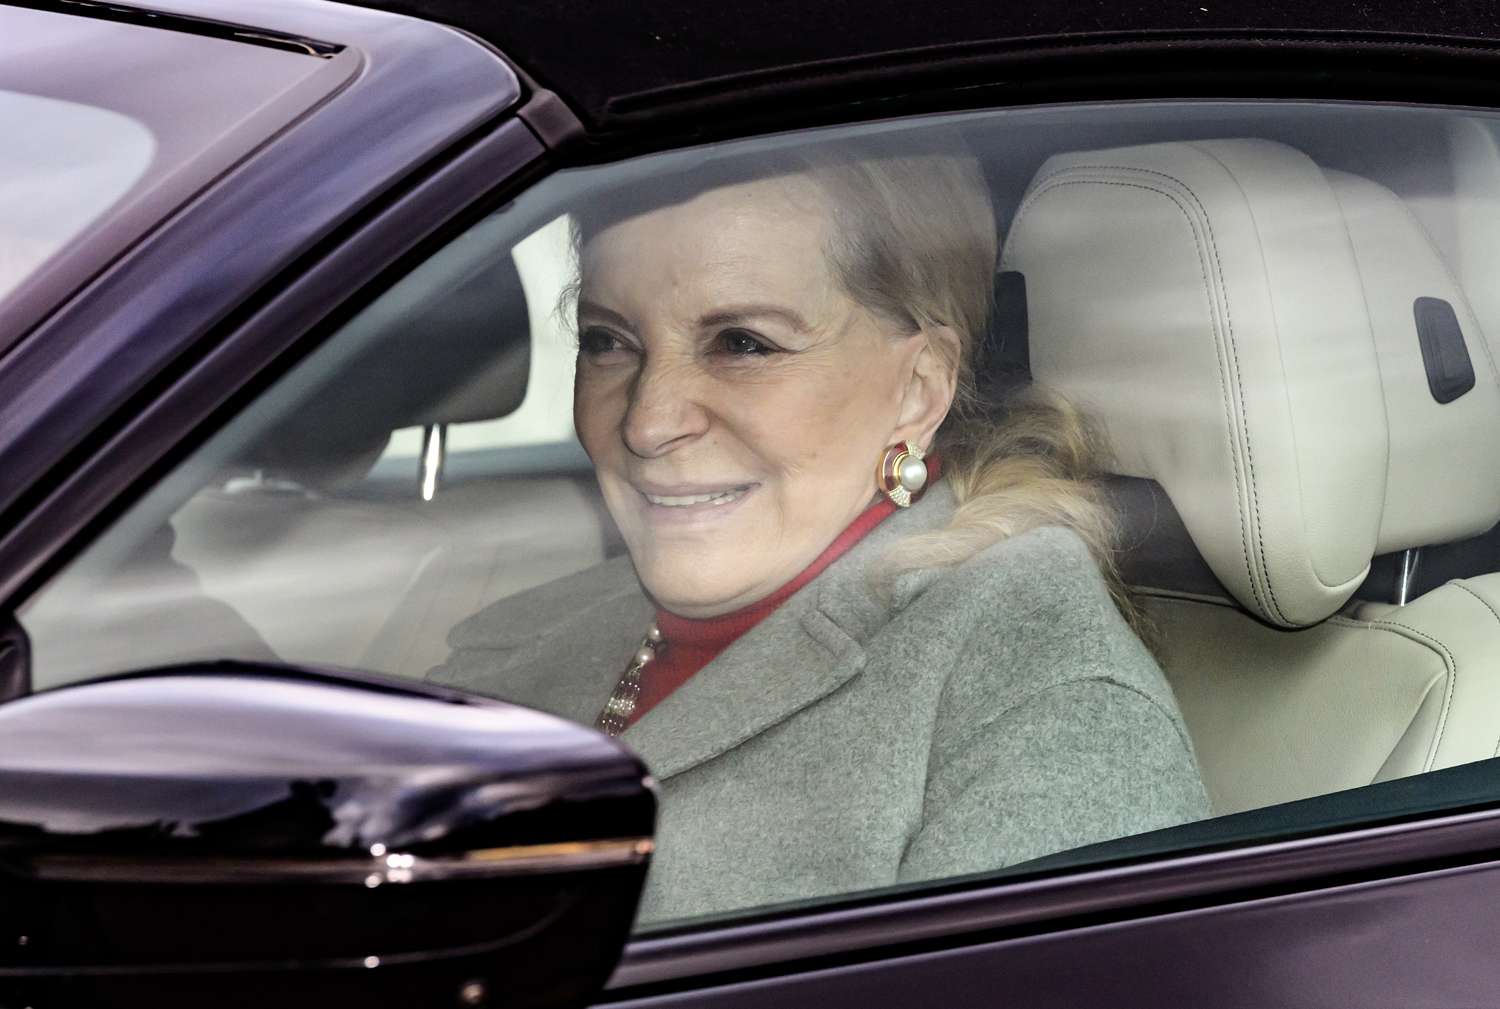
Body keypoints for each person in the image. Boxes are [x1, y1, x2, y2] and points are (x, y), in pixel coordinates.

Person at [429, 137, 1209, 925]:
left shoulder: (1045, 705)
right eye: (607, 341)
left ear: (918, 389)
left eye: (743, 343)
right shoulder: (544, 626)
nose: (646, 420)